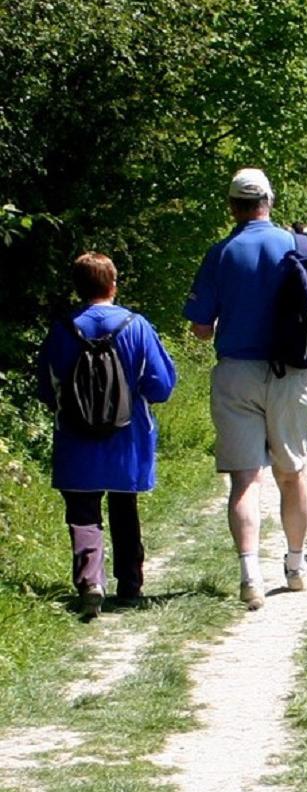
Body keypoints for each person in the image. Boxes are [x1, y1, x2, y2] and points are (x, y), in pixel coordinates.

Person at [183, 168, 307, 610]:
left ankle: (250, 577)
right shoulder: (297, 246)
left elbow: (202, 329)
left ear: (232, 206)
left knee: (245, 481)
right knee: (292, 472)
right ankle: (296, 567)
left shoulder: (220, 253)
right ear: (269, 201)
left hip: (237, 372)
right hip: (290, 372)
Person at [35, 253, 177, 618]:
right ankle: (129, 585)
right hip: (127, 438)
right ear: (113, 284)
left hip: (75, 437)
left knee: (82, 511)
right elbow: (161, 386)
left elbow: (47, 389)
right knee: (124, 507)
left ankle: (90, 582)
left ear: (77, 287)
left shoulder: (62, 328)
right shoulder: (136, 325)